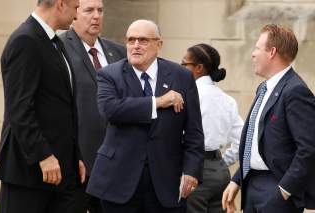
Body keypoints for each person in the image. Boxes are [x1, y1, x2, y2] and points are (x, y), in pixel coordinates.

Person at [86, 19, 205, 213]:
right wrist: (157, 102)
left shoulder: (181, 76)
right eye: (131, 40)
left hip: (166, 184)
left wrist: (192, 171)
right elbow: (110, 110)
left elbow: (194, 132)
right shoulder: (110, 74)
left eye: (143, 40)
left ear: (159, 44)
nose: (135, 46)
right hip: (118, 183)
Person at [0, 0, 86, 213]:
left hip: (62, 171)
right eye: (75, 7)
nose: (76, 14)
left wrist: (75, 156)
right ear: (61, 4)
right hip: (29, 174)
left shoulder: (54, 41)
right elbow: (20, 109)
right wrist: (43, 156)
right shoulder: (24, 40)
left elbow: (61, 108)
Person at [222, 24, 315, 213]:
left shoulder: (295, 91)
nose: (252, 54)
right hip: (252, 187)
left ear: (272, 52)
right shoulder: (263, 89)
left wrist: (284, 191)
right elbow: (259, 145)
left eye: (257, 48)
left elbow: (308, 148)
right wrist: (237, 179)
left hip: (277, 191)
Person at [59, 0, 126, 212]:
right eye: (89, 10)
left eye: (100, 10)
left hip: (116, 162)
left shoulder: (119, 52)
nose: (96, 16)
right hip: (78, 163)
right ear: (74, 13)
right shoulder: (58, 48)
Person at [181, 43, 243, 213]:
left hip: (193, 171)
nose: (181, 68)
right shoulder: (227, 99)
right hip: (220, 172)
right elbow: (242, 140)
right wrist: (222, 161)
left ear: (199, 68)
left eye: (184, 64)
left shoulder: (188, 96)